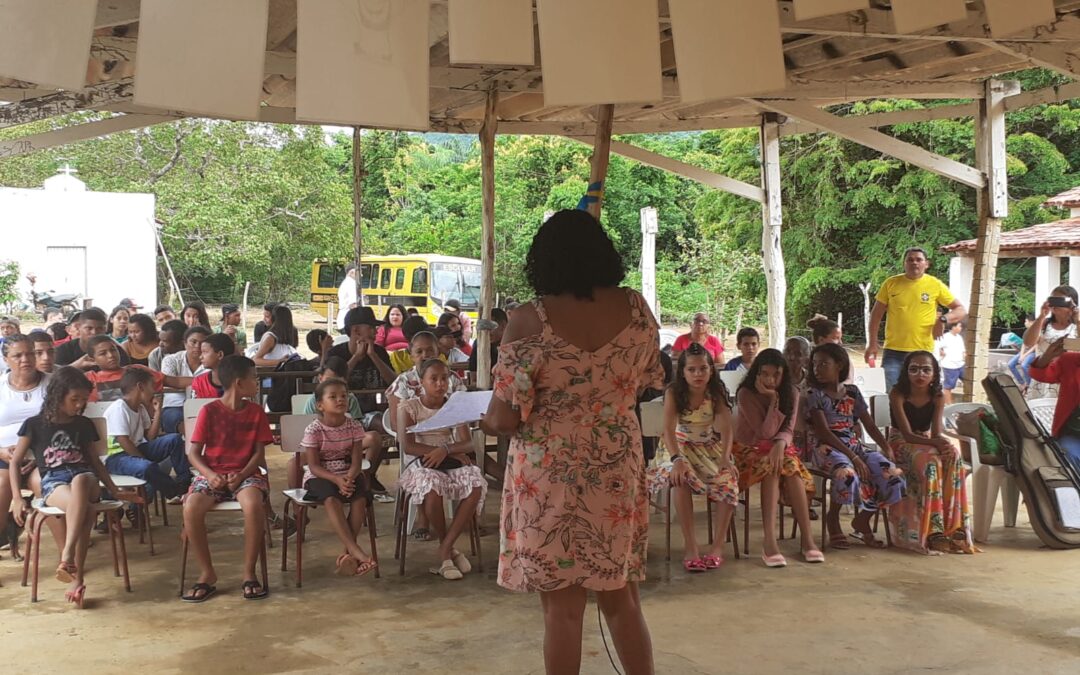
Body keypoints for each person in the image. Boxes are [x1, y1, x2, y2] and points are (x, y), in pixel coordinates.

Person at [482, 209, 664, 675]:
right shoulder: (637, 308)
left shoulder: (528, 320)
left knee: (561, 612)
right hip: (617, 470)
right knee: (622, 600)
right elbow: (650, 381)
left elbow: (502, 419)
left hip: (549, 479)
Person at [9, 367, 123, 608]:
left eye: (84, 399)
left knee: (82, 481)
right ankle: (77, 579)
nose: (80, 405)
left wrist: (113, 488)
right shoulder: (34, 424)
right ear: (57, 395)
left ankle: (67, 554)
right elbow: (16, 462)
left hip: (86, 479)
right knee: (84, 511)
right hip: (54, 481)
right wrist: (18, 498)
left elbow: (94, 462)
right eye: (75, 399)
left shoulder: (83, 424)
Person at [181, 355, 273, 602]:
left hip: (246, 474)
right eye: (254, 378)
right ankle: (207, 572)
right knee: (191, 506)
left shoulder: (255, 412)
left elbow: (258, 453)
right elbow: (193, 453)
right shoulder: (208, 411)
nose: (257, 382)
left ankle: (248, 572)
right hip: (213, 474)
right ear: (239, 383)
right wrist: (210, 475)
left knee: (253, 505)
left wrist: (241, 474)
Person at [807, 343, 905, 550]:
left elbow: (868, 423)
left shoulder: (852, 392)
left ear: (839, 365)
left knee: (893, 475)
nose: (817, 368)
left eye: (824, 363)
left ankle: (862, 519)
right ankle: (832, 518)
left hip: (854, 446)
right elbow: (824, 432)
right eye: (815, 364)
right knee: (847, 474)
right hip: (827, 449)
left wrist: (885, 446)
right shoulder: (814, 394)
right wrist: (854, 457)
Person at [732, 348, 822, 566]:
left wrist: (780, 444)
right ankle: (769, 541)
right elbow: (763, 433)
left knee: (788, 468)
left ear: (784, 375)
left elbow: (788, 429)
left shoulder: (791, 392)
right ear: (756, 373)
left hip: (779, 448)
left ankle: (808, 540)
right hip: (748, 450)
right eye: (764, 374)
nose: (770, 380)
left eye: (776, 375)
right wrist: (773, 400)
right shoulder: (746, 394)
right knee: (772, 468)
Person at [398, 359, 485, 580]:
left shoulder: (453, 406)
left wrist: (445, 450)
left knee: (475, 484)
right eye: (433, 379)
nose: (440, 384)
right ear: (421, 382)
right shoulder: (408, 407)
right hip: (421, 461)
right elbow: (408, 445)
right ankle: (447, 548)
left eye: (444, 378)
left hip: (449, 456)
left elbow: (468, 443)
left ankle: (445, 549)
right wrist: (439, 452)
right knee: (432, 491)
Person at [659, 343, 738, 572]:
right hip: (678, 447)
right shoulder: (674, 392)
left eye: (703, 368)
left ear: (711, 370)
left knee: (728, 482)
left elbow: (726, 428)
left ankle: (717, 548)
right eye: (692, 369)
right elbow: (668, 429)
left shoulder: (716, 392)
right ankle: (691, 547)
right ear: (682, 372)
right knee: (680, 480)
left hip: (708, 447)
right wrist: (677, 460)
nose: (698, 374)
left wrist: (725, 458)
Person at [887, 351, 974, 554]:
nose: (920, 374)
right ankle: (933, 530)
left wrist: (943, 444)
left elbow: (935, 432)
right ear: (906, 372)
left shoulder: (937, 396)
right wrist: (935, 443)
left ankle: (955, 526)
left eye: (926, 370)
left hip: (925, 440)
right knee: (930, 463)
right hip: (900, 441)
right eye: (914, 369)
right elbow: (906, 434)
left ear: (934, 374)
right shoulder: (898, 393)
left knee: (953, 455)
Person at [301, 377, 377, 577]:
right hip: (320, 475)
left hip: (347, 472)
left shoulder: (353, 426)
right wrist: (336, 480)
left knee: (359, 499)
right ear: (320, 405)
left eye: (344, 396)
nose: (340, 400)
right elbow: (314, 466)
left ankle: (347, 555)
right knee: (331, 499)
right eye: (332, 397)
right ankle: (356, 551)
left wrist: (349, 478)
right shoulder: (314, 430)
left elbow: (356, 461)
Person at [864, 247, 966, 391]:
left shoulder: (935, 284)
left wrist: (942, 320)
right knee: (892, 394)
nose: (914, 263)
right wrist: (872, 343)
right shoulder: (890, 283)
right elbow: (876, 315)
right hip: (894, 352)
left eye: (919, 259)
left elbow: (960, 309)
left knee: (922, 395)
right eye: (910, 260)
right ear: (904, 264)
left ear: (926, 264)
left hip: (923, 352)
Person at [103, 367, 190, 504]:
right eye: (152, 386)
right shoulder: (119, 408)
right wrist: (143, 460)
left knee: (174, 439)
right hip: (117, 457)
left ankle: (185, 483)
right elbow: (123, 441)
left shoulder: (141, 408)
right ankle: (175, 491)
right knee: (146, 467)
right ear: (140, 387)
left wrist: (157, 413)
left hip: (138, 449)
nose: (154, 391)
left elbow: (150, 438)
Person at [0, 335, 53, 548]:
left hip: (43, 457)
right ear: (6, 359)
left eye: (31, 353)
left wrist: (38, 454)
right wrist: (1, 452)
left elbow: (64, 425)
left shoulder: (53, 385)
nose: (26, 359)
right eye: (18, 355)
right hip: (4, 457)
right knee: (0, 485)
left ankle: (67, 554)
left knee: (45, 485)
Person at [327, 306, 396, 430]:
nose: (375, 332)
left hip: (372, 413)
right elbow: (331, 383)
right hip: (342, 413)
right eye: (371, 328)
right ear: (356, 331)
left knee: (387, 425)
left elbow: (394, 383)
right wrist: (356, 357)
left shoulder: (379, 352)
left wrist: (373, 356)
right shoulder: (336, 354)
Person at [386, 331, 467, 434]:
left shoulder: (452, 378)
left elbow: (464, 411)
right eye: (419, 351)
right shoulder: (402, 382)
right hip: (415, 440)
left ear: (438, 352)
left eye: (430, 350)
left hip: (449, 437)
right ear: (411, 355)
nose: (425, 355)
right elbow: (395, 424)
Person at [84, 336, 189, 403]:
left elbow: (175, 381)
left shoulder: (137, 371)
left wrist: (203, 380)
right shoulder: (87, 379)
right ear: (93, 359)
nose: (111, 355)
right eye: (103, 353)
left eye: (113, 350)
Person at [1029, 337, 1080, 471]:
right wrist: (1047, 355)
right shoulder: (1070, 360)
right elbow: (1041, 375)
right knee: (1068, 456)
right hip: (1071, 437)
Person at [1022, 285, 1080, 397]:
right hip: (1042, 378)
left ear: (1072, 303)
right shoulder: (1044, 324)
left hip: (1068, 380)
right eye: (1052, 299)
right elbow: (1028, 342)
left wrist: (1077, 320)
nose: (1055, 304)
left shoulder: (1077, 325)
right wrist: (1041, 316)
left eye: (1060, 300)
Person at [160, 326, 210, 434]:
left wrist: (180, 382)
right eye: (193, 342)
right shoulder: (171, 360)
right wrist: (204, 382)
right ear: (185, 343)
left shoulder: (212, 363)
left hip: (204, 403)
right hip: (175, 405)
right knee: (175, 419)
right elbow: (169, 381)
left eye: (202, 343)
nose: (197, 346)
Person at [55, 308, 131, 369]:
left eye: (99, 328)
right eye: (89, 328)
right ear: (79, 328)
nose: (94, 332)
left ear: (105, 329)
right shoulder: (63, 350)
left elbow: (127, 375)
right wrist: (75, 366)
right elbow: (53, 379)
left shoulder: (115, 350)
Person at [192, 333, 236, 398]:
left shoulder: (239, 381)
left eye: (205, 352)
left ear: (220, 355)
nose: (200, 357)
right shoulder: (199, 382)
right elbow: (195, 407)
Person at [467, 308, 508, 375]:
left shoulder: (512, 346)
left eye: (490, 328)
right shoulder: (479, 344)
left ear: (503, 326)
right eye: (483, 328)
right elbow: (473, 377)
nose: (486, 333)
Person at [937, 321, 966, 404]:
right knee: (948, 386)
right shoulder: (945, 337)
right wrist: (942, 353)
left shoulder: (959, 337)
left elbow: (963, 350)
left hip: (961, 364)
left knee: (968, 381)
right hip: (950, 365)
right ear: (953, 327)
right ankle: (949, 404)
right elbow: (938, 347)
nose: (961, 328)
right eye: (959, 326)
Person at [1007, 315, 1038, 392]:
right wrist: (1021, 355)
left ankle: (1029, 384)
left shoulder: (1037, 331)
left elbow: (1035, 347)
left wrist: (1024, 355)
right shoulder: (1026, 331)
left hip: (1033, 353)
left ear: (1031, 322)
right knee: (1011, 364)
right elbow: (1024, 344)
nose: (1025, 323)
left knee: (1024, 365)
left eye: (1026, 321)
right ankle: (1022, 383)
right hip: (1024, 352)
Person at [336, 264, 359, 331]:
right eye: (358, 272)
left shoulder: (346, 283)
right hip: (349, 322)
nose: (361, 275)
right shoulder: (351, 284)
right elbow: (353, 305)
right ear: (351, 272)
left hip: (344, 321)